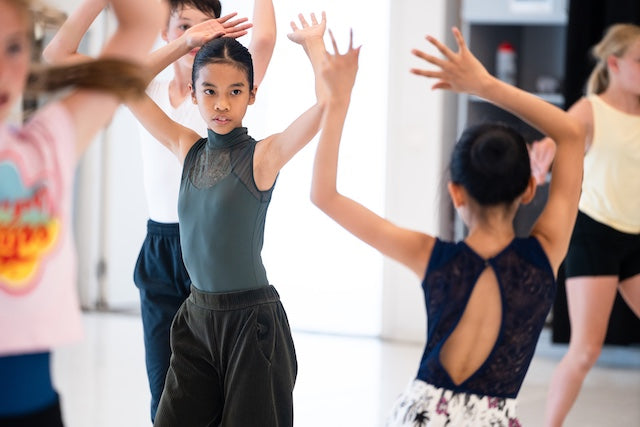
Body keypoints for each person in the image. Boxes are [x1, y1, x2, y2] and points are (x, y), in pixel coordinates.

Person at [312, 27, 585, 425]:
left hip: (421, 415)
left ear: (456, 193)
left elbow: (324, 195)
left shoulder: (430, 256)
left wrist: (337, 101)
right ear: (529, 189)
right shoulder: (546, 253)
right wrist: (484, 85)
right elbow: (571, 134)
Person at [43, 1, 258, 420]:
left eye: (207, 30)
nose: (196, 38)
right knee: (163, 399)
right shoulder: (151, 83)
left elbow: (262, 41)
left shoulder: (219, 95)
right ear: (165, 31)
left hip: (210, 251)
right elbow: (57, 56)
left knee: (213, 397)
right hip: (159, 248)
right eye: (184, 27)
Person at [121, 14, 327, 424]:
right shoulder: (187, 148)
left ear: (252, 94)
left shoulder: (262, 157)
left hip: (251, 325)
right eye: (210, 91)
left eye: (235, 91)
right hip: (196, 318)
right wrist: (184, 44)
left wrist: (314, 46)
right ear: (194, 93)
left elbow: (324, 107)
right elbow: (125, 85)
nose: (221, 104)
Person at [0, 0, 165, 425]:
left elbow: (143, 20)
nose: (2, 70)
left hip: (35, 411)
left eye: (13, 47)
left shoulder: (45, 146)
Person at [528, 23, 640, 427]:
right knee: (586, 351)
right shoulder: (591, 110)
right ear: (614, 64)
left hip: (636, 237)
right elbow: (558, 136)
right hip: (595, 236)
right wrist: (544, 151)